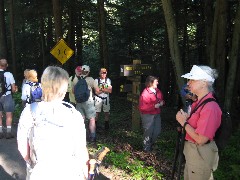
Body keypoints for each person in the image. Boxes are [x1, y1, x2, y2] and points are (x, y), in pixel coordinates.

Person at [17, 66, 89, 180]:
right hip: (71, 173)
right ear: (64, 88)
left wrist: (32, 164)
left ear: (43, 84)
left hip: (40, 173)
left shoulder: (30, 111)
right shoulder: (74, 113)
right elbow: (81, 149)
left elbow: (23, 147)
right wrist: (85, 171)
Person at [176, 65, 221, 180]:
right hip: (193, 154)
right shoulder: (199, 102)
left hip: (200, 154)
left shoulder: (210, 106)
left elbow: (201, 139)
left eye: (193, 80)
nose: (189, 83)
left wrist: (184, 122)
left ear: (204, 83)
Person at [74, 65, 101, 142]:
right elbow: (97, 91)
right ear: (88, 72)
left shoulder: (76, 79)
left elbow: (73, 91)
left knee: (81, 119)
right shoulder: (91, 79)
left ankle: (81, 137)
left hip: (79, 102)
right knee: (92, 119)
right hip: (88, 102)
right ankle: (92, 137)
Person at [139, 76, 164, 152]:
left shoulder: (158, 91)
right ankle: (146, 149)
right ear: (151, 83)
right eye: (156, 82)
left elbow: (161, 99)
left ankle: (150, 145)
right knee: (148, 132)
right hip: (147, 115)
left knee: (157, 131)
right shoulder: (145, 94)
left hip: (157, 114)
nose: (157, 83)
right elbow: (142, 107)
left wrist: (161, 103)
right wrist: (154, 106)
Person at [0, 59, 18, 139]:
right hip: (7, 96)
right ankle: (8, 133)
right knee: (8, 114)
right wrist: (15, 89)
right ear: (6, 65)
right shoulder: (9, 74)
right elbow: (13, 89)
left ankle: (0, 132)